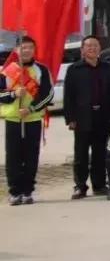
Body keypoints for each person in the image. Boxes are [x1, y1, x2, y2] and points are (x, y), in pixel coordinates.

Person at [1, 36, 54, 206]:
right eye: (23, 47)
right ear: (17, 50)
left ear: (34, 50)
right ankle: (15, 191)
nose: (26, 51)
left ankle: (28, 191)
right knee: (13, 157)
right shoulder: (7, 71)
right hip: (13, 119)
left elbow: (48, 95)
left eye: (30, 47)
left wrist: (31, 108)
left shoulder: (41, 70)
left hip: (32, 119)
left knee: (31, 157)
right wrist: (13, 94)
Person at [64, 35, 110, 199]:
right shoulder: (74, 69)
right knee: (80, 154)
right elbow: (68, 96)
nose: (92, 49)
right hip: (82, 117)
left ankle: (99, 184)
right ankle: (80, 186)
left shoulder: (108, 68)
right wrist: (70, 118)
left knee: (100, 153)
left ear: (100, 49)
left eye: (95, 46)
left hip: (103, 116)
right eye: (88, 46)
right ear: (82, 50)